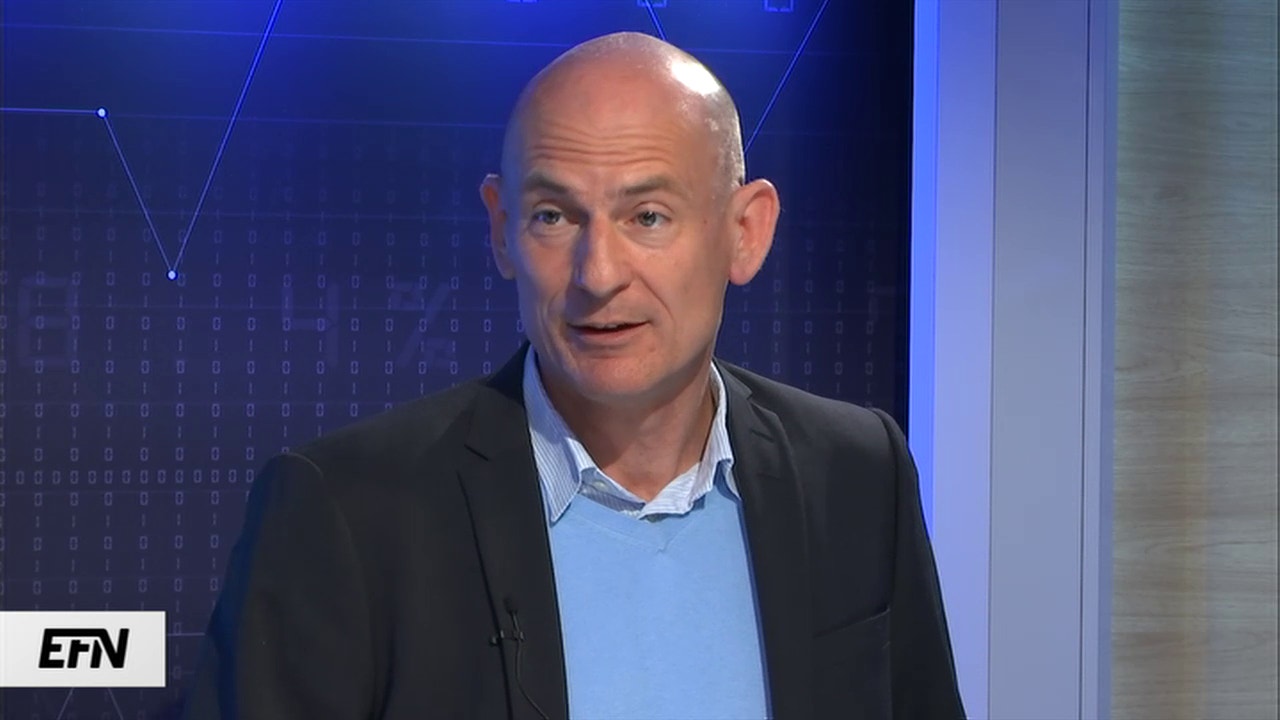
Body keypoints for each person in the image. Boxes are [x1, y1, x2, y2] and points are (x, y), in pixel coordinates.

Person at [183, 31, 965, 720]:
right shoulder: (349, 508)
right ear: (502, 230)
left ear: (745, 232)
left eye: (647, 216)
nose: (598, 274)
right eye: (554, 217)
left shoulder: (857, 473)